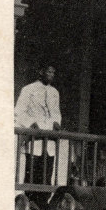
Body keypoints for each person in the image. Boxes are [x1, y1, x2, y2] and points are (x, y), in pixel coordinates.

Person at [14, 65, 62, 196]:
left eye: (53, 72)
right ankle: (30, 204)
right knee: (31, 177)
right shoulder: (28, 89)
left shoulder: (54, 92)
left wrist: (56, 123)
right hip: (35, 141)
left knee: (47, 177)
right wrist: (31, 123)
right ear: (41, 72)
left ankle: (43, 204)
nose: (51, 75)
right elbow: (19, 111)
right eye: (48, 72)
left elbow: (56, 113)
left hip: (49, 142)